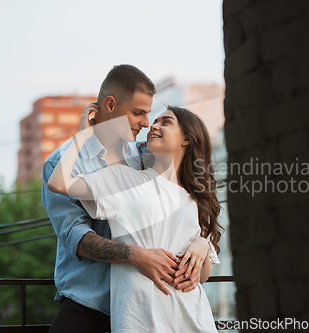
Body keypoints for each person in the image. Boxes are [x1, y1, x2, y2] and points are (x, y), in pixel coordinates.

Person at [42, 65, 211, 333]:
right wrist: (138, 256)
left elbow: (191, 203)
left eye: (150, 115)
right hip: (91, 301)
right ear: (110, 104)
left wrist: (204, 242)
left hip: (152, 304)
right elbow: (77, 237)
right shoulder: (61, 163)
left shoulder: (146, 154)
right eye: (138, 113)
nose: (147, 123)